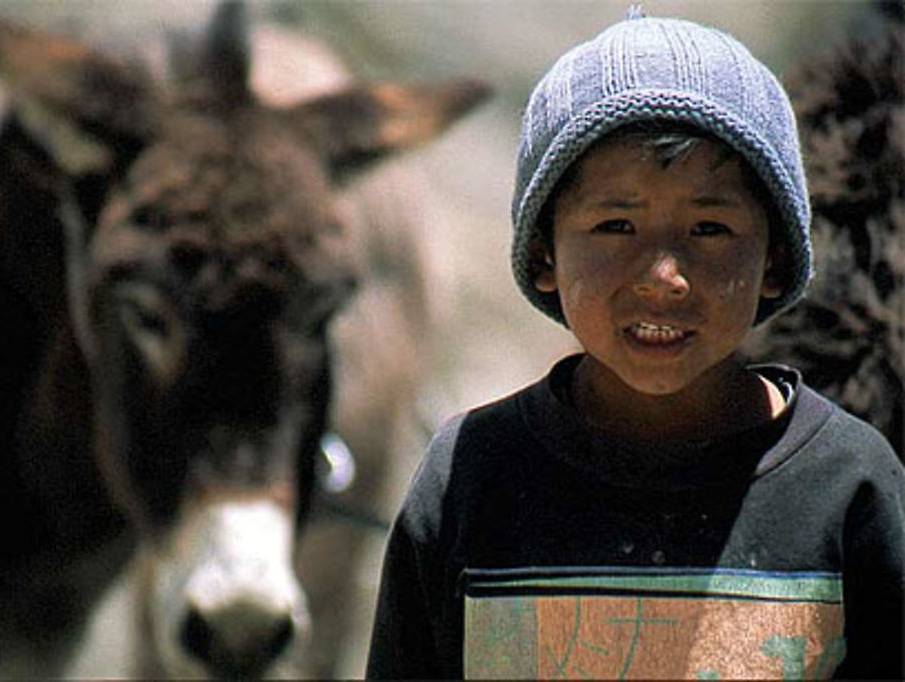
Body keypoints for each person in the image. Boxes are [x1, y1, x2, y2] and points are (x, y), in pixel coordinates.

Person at [365, 10, 904, 680]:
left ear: (774, 259)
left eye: (709, 228)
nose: (663, 278)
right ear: (543, 256)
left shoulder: (851, 486)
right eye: (616, 225)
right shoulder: (469, 476)